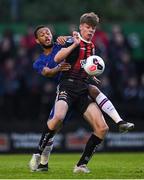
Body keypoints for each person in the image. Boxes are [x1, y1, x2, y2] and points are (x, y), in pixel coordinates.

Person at [29, 12, 134, 173]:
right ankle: (41, 159)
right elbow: (49, 71)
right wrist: (60, 64)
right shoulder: (40, 60)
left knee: (100, 121)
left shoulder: (65, 41)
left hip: (81, 87)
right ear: (37, 40)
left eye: (48, 32)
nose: (46, 35)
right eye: (42, 35)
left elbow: (82, 57)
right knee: (55, 123)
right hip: (64, 89)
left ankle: (81, 164)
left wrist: (90, 73)